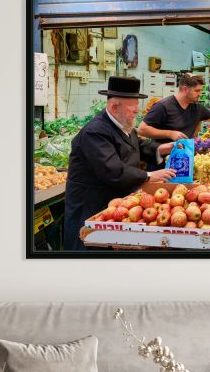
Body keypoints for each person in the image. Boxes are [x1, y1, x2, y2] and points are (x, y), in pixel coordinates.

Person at [62, 75, 175, 251]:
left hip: (113, 206)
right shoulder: (95, 132)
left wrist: (164, 148)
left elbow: (138, 146)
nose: (137, 110)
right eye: (133, 106)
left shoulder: (124, 125)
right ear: (115, 107)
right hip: (91, 208)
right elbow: (112, 169)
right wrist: (149, 175)